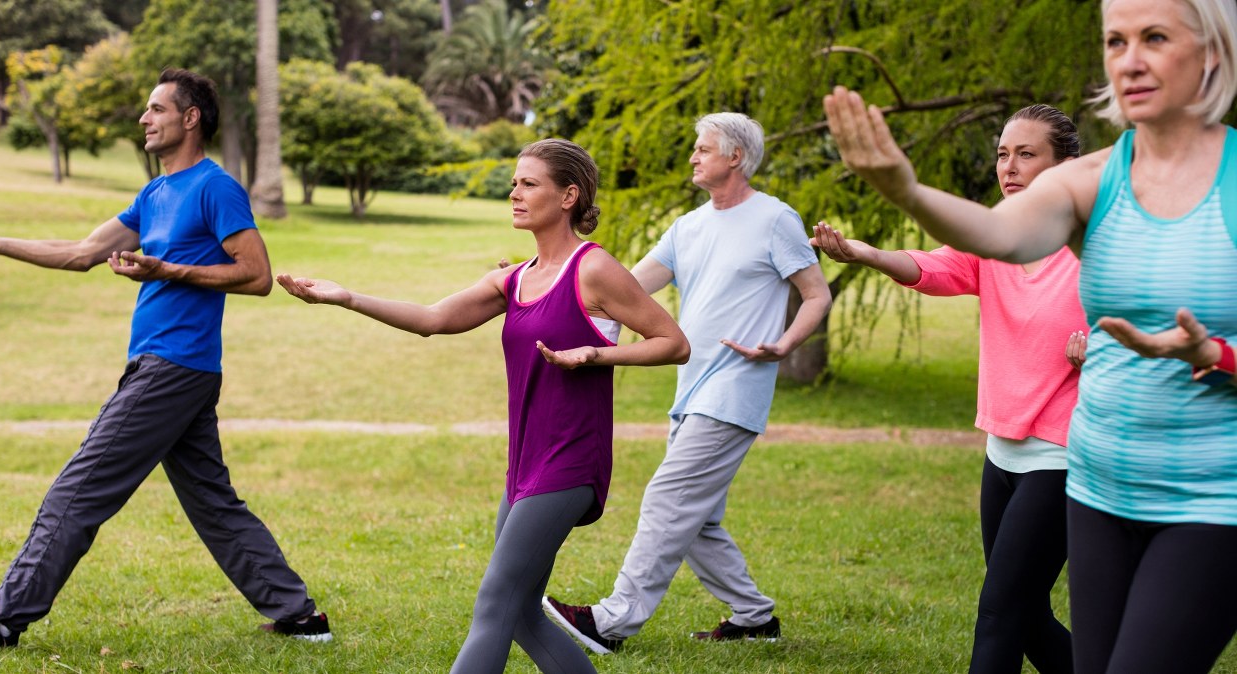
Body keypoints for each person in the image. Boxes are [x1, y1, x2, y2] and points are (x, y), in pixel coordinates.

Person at [823, 0, 1237, 671]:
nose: (1129, 58)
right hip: (1099, 486)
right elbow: (996, 237)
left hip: (1212, 495)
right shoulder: (1091, 179)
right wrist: (906, 190)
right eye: (1115, 40)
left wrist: (1214, 354)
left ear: (1213, 51)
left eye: (1154, 37)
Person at [278, 138, 690, 674]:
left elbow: (673, 342)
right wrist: (347, 297)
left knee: (495, 603)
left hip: (570, 461)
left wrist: (597, 352)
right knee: (520, 612)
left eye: (528, 183)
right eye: (514, 183)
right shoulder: (513, 278)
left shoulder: (594, 270)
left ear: (568, 196)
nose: (514, 193)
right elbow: (432, 318)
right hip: (523, 465)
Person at [0, 68, 330, 647]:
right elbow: (81, 253)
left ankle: (3, 620)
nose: (144, 118)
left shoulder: (214, 187)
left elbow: (256, 275)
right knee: (213, 501)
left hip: (173, 367)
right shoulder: (154, 194)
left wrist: (168, 269)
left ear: (190, 118)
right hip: (170, 368)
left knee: (77, 490)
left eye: (157, 109)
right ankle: (301, 617)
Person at [812, 103, 1086, 674]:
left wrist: (1105, 344)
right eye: (1002, 155)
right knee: (1024, 611)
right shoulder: (997, 239)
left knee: (999, 612)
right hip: (1001, 450)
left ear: (1065, 167)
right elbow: (933, 268)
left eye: (1026, 154)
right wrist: (864, 253)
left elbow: (1152, 318)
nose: (1008, 167)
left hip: (1064, 455)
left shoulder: (1095, 249)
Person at [543, 112, 833, 653]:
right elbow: (621, 289)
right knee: (696, 518)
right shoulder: (689, 227)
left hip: (736, 388)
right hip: (691, 388)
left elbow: (817, 293)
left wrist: (786, 343)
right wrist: (536, 282)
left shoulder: (775, 219)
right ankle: (753, 618)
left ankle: (611, 621)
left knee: (669, 499)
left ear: (736, 157)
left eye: (704, 149)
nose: (694, 157)